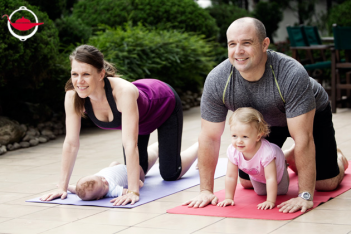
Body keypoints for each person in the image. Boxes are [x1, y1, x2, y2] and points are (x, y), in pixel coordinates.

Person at [184, 17, 348, 213]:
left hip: (309, 113)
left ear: (264, 44)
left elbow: (303, 137)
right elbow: (209, 137)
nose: (238, 51)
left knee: (325, 183)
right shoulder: (218, 79)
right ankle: (287, 156)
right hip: (261, 122)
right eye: (232, 44)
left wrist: (304, 195)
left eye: (246, 43)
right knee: (248, 182)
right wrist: (206, 190)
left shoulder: (291, 73)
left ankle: (337, 158)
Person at [40, 45, 198, 206]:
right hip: (137, 120)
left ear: (101, 74)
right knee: (138, 171)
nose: (79, 81)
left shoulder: (123, 92)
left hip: (163, 104)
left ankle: (200, 145)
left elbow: (130, 144)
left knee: (170, 173)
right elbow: (71, 143)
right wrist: (62, 187)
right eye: (74, 74)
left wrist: (133, 191)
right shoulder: (73, 96)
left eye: (86, 74)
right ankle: (160, 148)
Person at [217, 108, 289, 210]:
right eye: (234, 136)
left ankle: (285, 162)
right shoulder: (233, 151)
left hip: (276, 169)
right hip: (256, 171)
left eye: (245, 137)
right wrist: (228, 198)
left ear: (258, 137)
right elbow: (230, 176)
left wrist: (270, 201)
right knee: (261, 192)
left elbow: (270, 178)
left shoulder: (266, 153)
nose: (239, 141)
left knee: (281, 192)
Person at [67, 161, 145, 201]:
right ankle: (142, 178)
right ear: (99, 197)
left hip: (115, 167)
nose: (105, 181)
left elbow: (76, 190)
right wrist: (137, 184)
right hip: (129, 172)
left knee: (114, 163)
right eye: (104, 186)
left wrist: (67, 186)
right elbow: (127, 192)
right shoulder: (111, 190)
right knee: (139, 168)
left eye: (101, 178)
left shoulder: (94, 180)